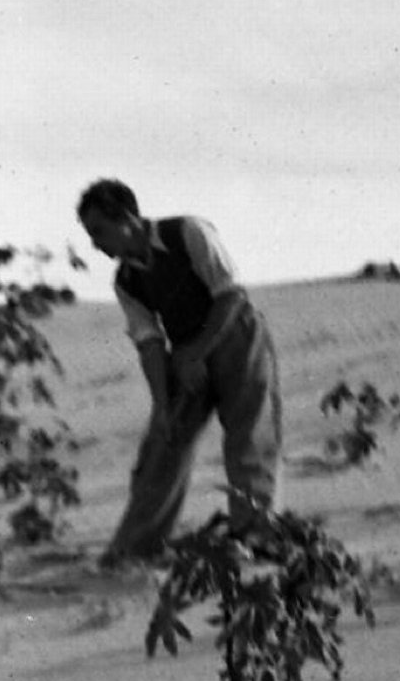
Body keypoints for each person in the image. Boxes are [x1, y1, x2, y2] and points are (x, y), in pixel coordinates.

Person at [76, 179, 282, 564]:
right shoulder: (126, 281)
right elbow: (148, 341)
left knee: (248, 438)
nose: (96, 245)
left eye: (99, 231)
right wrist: (161, 405)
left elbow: (231, 294)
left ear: (127, 218)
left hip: (237, 336)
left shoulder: (188, 232)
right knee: (164, 442)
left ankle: (255, 537)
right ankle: (136, 548)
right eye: (91, 235)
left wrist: (197, 353)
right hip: (185, 349)